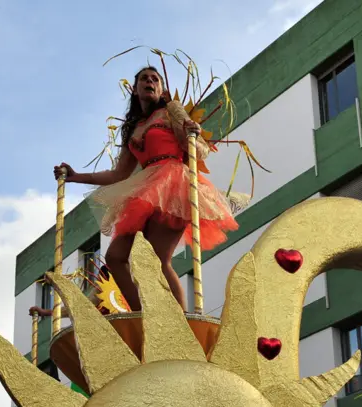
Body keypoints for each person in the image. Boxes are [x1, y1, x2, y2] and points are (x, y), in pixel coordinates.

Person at [54, 66, 238, 312]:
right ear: (135, 88)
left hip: (174, 185)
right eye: (144, 78)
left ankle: (182, 322)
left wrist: (190, 133)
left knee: (158, 261)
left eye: (155, 79)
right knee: (115, 258)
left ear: (161, 89)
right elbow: (119, 174)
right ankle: (144, 315)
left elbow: (198, 149)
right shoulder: (132, 127)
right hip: (145, 189)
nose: (149, 81)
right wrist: (77, 177)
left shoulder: (171, 110)